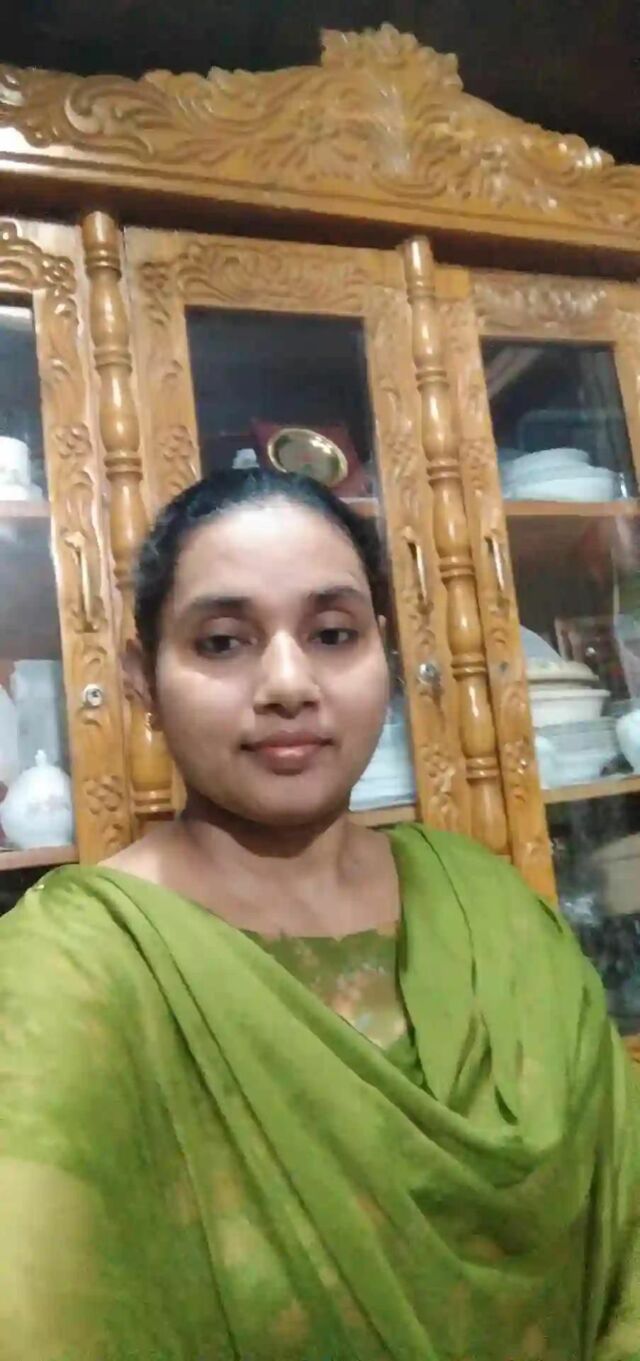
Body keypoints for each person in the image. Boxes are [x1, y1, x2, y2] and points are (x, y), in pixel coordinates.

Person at [0, 469, 639, 1361]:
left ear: (385, 653)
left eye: (333, 633)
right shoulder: (75, 970)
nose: (288, 683)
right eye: (223, 642)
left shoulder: (487, 905)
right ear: (143, 681)